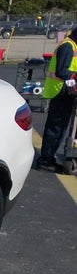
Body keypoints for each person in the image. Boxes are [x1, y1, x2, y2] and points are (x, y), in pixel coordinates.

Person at [38, 26, 77, 170]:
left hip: (65, 92)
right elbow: (62, 71)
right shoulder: (67, 47)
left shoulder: (72, 45)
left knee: (61, 127)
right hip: (59, 92)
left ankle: (49, 156)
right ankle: (45, 159)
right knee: (55, 128)